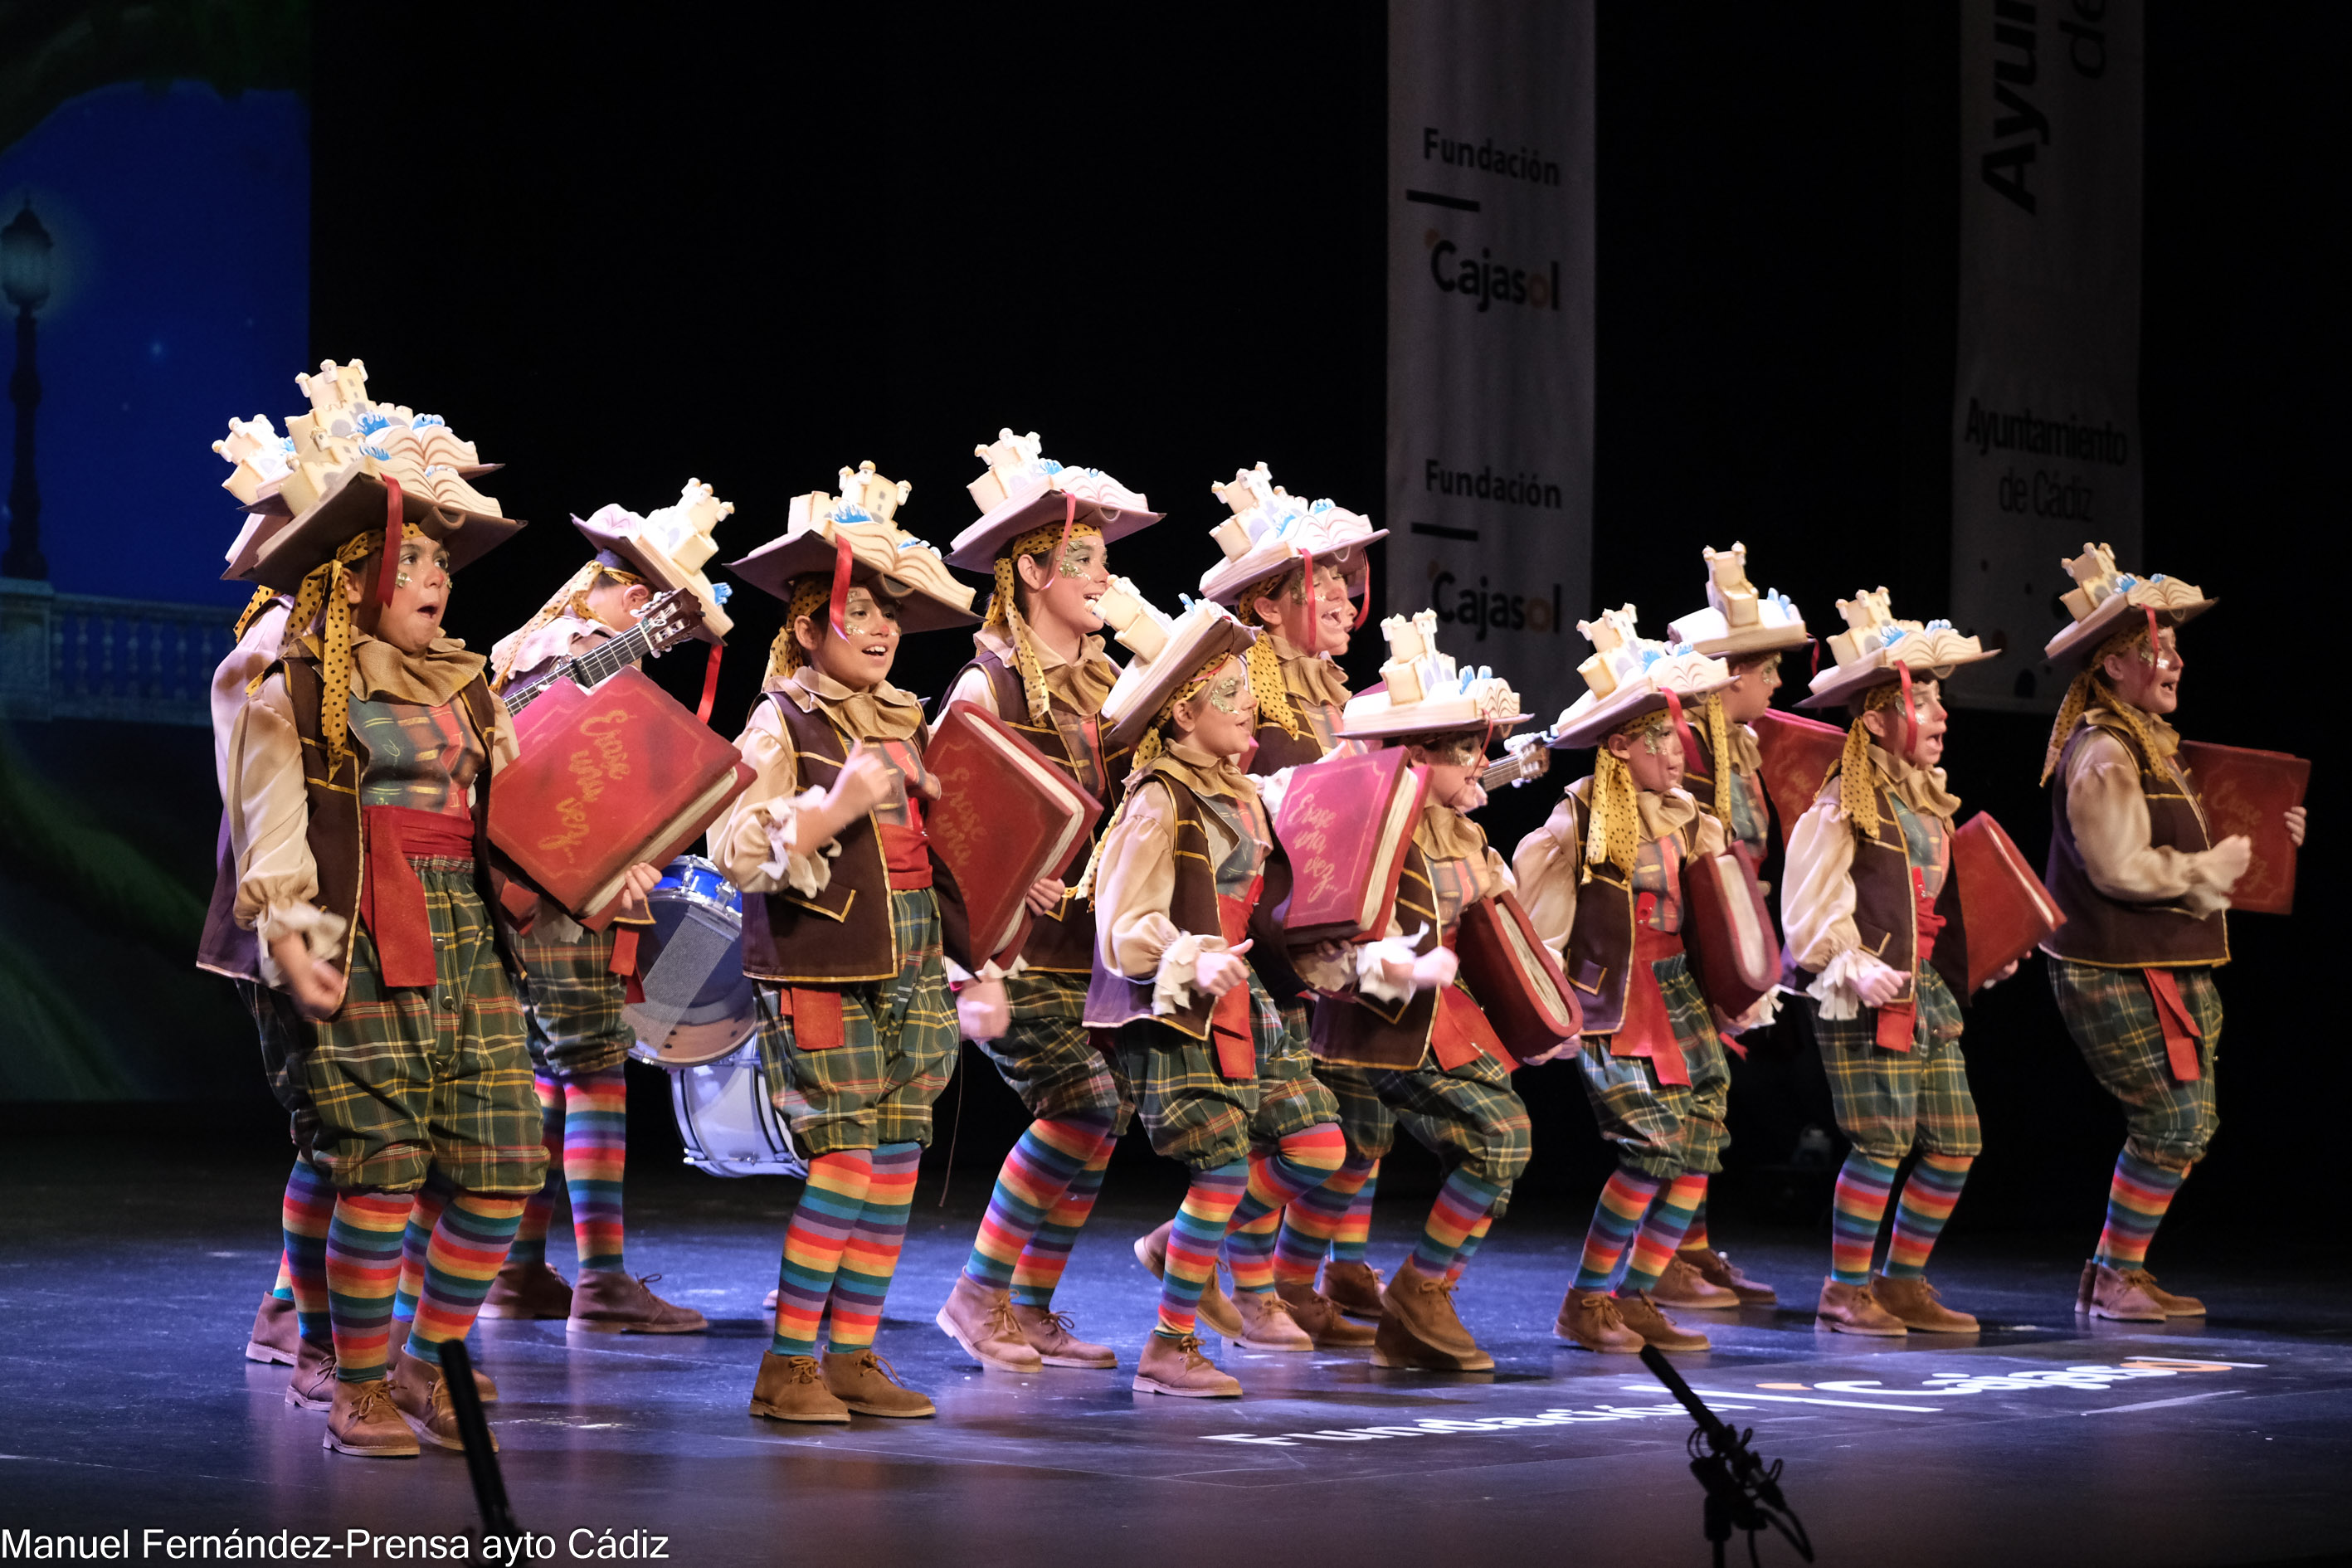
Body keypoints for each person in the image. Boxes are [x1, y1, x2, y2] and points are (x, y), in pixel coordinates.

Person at [222, 439, 547, 1458]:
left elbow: (520, 814)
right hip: (364, 927)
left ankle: (425, 1357)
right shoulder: (297, 676)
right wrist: (287, 931)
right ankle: (357, 1380)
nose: (435, 579)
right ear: (354, 571)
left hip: (468, 936)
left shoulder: (464, 682)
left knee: (503, 1169)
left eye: (442, 564)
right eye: (411, 560)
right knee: (380, 1170)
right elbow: (267, 816)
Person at [710, 464, 979, 1424]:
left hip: (910, 959)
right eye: (857, 609)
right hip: (822, 962)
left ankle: (855, 1354)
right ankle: (788, 1365)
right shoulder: (781, 719)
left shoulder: (910, 723)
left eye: (889, 614)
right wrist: (835, 807)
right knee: (846, 1161)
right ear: (810, 626)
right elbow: (736, 844)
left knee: (899, 1154)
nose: (879, 628)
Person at [475, 488, 737, 1335]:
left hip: (521, 900)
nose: (652, 618)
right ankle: (602, 1281)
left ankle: (518, 1272)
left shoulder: (527, 650)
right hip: (560, 903)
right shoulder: (580, 653)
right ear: (614, 594)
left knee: (553, 1074)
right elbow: (560, 791)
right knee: (590, 1071)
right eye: (648, 602)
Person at [931, 434, 1165, 1374]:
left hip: (1084, 949)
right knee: (1083, 1105)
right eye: (1084, 562)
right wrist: (980, 933)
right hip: (1012, 950)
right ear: (1030, 571)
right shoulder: (991, 681)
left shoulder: (1107, 685)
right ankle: (975, 1296)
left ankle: (1028, 1305)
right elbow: (945, 824)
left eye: (1106, 561)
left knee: (1100, 1122)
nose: (1102, 580)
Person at [1079, 601, 1347, 1397]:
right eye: (1230, 692)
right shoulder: (1158, 798)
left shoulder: (1241, 793)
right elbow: (1122, 922)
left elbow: (1259, 908)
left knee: (1318, 1145)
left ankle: (1177, 1240)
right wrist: (1185, 956)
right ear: (1185, 712)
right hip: (1177, 1007)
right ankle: (1169, 1346)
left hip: (1243, 1000)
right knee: (1223, 1169)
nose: (1252, 706)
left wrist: (1318, 949)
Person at [2037, 545, 2303, 1320]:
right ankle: (2113, 1273)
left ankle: (2114, 1270)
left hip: (2160, 957)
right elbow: (2121, 868)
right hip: (2112, 963)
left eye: (2173, 646)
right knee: (2172, 1119)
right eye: (2156, 649)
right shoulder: (2105, 751)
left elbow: (2197, 834)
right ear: (2114, 667)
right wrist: (2211, 866)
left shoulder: (2153, 745)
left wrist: (2271, 836)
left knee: (2190, 1120)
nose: (2173, 660)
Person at [1290, 610, 1536, 1372]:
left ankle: (1410, 1294)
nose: (1477, 766)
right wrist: (1389, 964)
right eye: (1462, 751)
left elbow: (1500, 919)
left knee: (1360, 1147)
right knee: (1467, 1138)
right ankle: (1379, 1288)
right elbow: (1321, 931)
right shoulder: (1368, 826)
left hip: (1437, 1015)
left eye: (1478, 751)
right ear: (1413, 758)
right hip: (1368, 1015)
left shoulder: (1461, 827)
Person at [1190, 465, 1388, 1348]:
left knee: (1307, 1131)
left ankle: (1255, 1280)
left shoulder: (1328, 693)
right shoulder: (1237, 690)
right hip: (1247, 937)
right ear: (1269, 604)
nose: (1348, 597)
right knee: (1282, 1130)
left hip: (1306, 939)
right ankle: (1236, 1279)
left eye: (1349, 580)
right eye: (1326, 582)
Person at [1516, 610, 1750, 1355]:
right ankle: (1587, 1300)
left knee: (1698, 1142)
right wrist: (1549, 1013)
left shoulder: (1686, 817)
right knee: (1649, 1147)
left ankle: (1640, 1293)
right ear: (1618, 744)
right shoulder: (1572, 827)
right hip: (1614, 997)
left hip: (1678, 990)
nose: (1674, 750)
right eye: (1653, 737)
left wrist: (1737, 990)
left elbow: (1713, 911)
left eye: (1674, 732)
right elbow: (1539, 930)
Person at [1780, 589, 2012, 1337]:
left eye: (1941, 703)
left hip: (1924, 995)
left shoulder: (1924, 804)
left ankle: (1903, 1281)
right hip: (1862, 996)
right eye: (1927, 703)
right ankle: (1845, 1289)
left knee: (1954, 1143)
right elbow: (1807, 916)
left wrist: (1983, 956)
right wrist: (1849, 964)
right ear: (1878, 719)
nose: (1942, 717)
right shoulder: (1838, 807)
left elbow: (1928, 907)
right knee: (1880, 1144)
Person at [1657, 543, 1814, 1309]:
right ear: (1728, 676)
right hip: (1685, 947)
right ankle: (1665, 1258)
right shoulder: (1682, 747)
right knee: (1686, 1097)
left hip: (1731, 937)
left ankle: (1688, 1246)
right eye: (1766, 669)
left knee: (1709, 1098)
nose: (1777, 682)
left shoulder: (1743, 748)